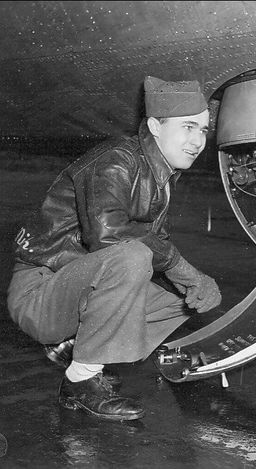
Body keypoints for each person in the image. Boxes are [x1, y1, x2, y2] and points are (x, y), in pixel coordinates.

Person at [7, 76, 222, 421]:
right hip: (40, 291)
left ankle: (79, 352)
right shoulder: (117, 160)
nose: (198, 141)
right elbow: (110, 238)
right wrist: (184, 269)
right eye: (188, 128)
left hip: (74, 288)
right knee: (133, 256)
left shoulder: (161, 172)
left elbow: (155, 242)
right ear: (155, 126)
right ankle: (81, 377)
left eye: (203, 130)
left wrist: (192, 281)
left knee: (181, 303)